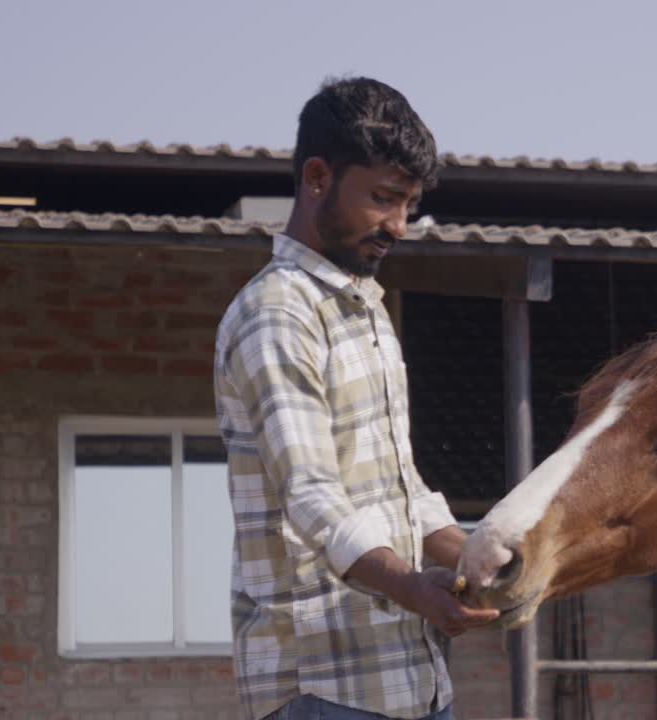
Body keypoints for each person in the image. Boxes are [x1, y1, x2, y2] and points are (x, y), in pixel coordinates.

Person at [214, 76, 499, 720]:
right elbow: (312, 499)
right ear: (317, 177)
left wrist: (490, 561)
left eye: (410, 205)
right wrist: (413, 589)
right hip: (323, 686)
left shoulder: (365, 311)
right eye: (383, 199)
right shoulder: (277, 312)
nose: (398, 224)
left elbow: (403, 492)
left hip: (413, 684)